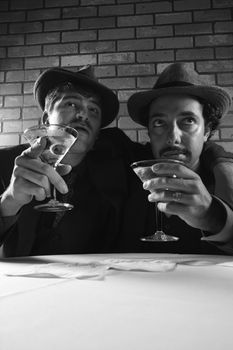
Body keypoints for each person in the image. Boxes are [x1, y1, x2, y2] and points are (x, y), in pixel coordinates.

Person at [0, 65, 145, 257]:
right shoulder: (6, 162)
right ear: (45, 119)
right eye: (71, 104)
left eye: (93, 110)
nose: (83, 115)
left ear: (97, 135)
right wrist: (8, 202)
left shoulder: (117, 168)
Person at [125, 62, 233, 254]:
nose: (173, 137)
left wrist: (213, 217)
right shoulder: (127, 170)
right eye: (159, 123)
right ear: (149, 132)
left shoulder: (225, 176)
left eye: (188, 121)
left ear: (207, 131)